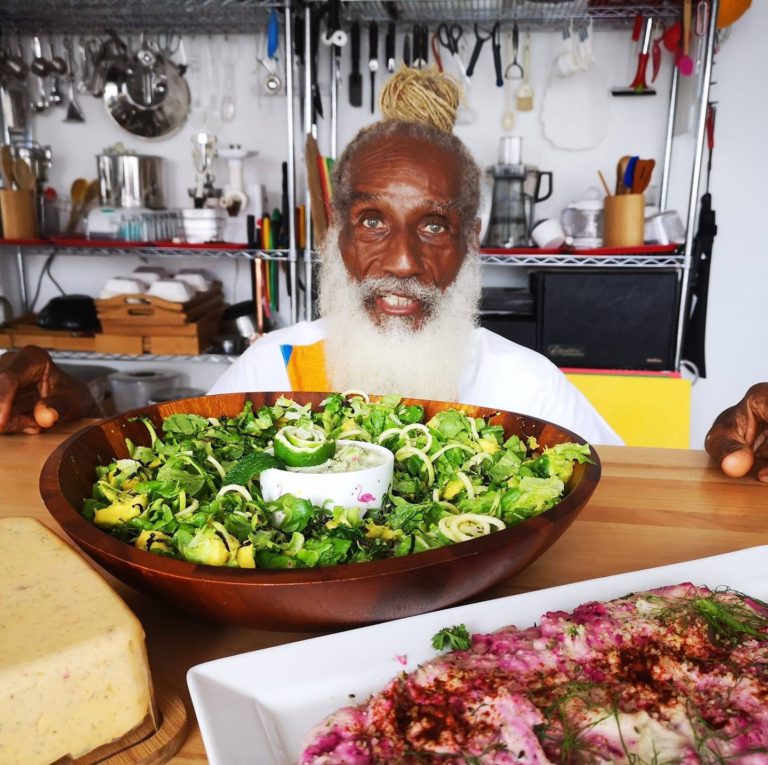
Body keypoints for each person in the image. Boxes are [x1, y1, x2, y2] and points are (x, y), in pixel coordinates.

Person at [0, 69, 764, 479]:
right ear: (336, 231)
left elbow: (633, 499)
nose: (401, 262)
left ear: (467, 241)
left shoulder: (528, 388)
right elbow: (164, 488)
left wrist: (724, 461)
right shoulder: (272, 366)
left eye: (432, 225)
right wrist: (73, 435)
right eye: (372, 221)